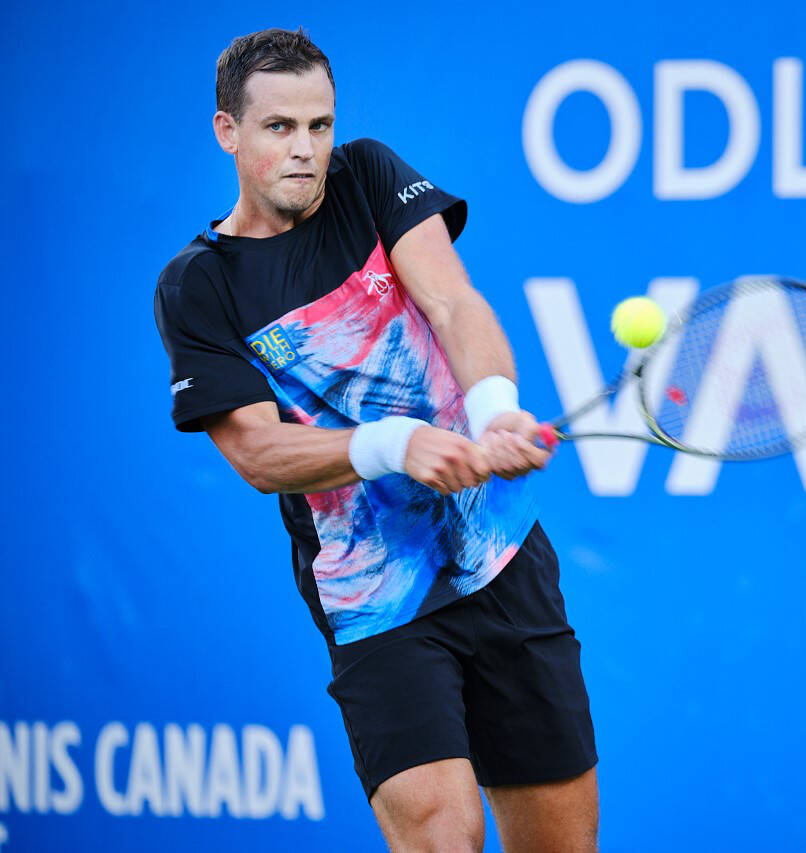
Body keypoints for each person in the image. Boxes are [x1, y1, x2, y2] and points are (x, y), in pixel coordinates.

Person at [153, 28, 598, 852]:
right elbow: (257, 452)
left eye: (319, 125)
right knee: (442, 832)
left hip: (501, 560)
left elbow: (452, 301)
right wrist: (395, 443)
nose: (307, 150)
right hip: (376, 605)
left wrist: (494, 406)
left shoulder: (369, 176)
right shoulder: (201, 285)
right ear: (228, 132)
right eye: (279, 128)